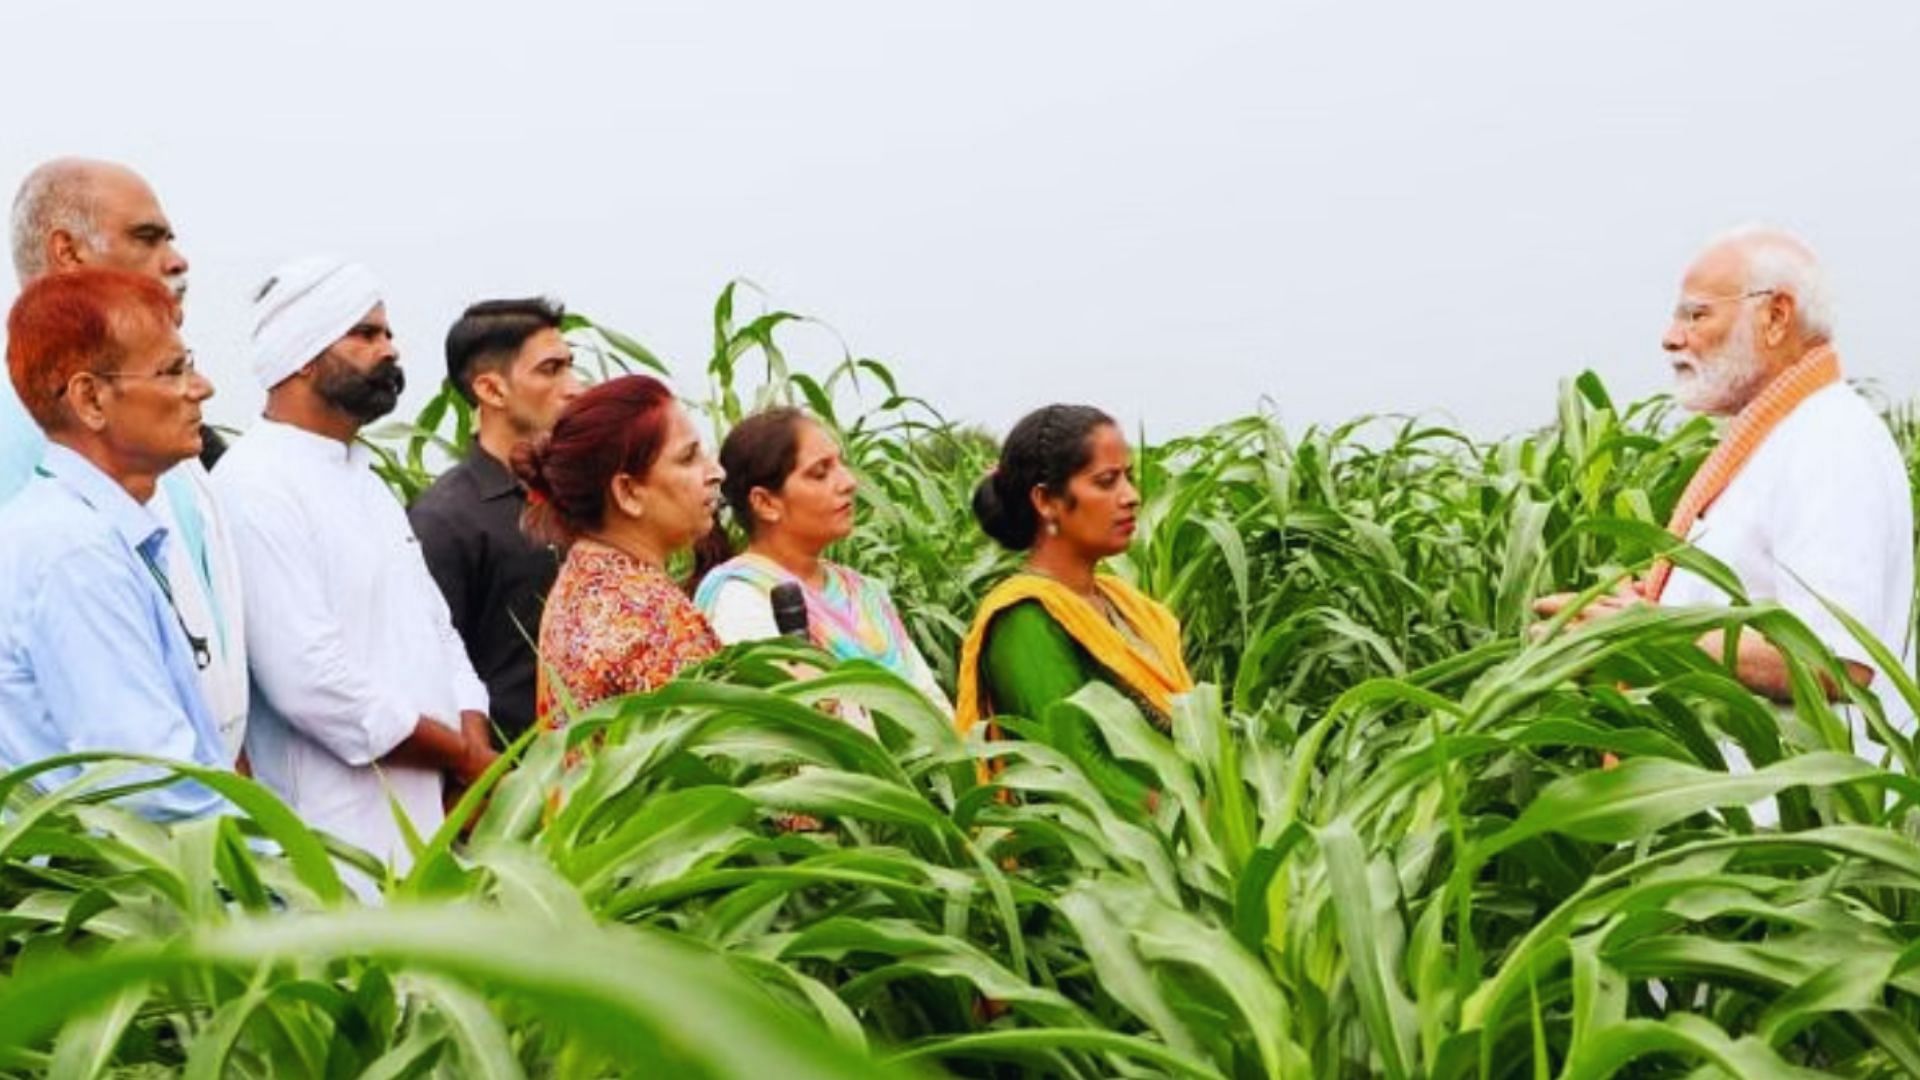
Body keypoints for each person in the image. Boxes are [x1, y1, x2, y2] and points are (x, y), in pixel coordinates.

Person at [1534, 227, 1914, 754]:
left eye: (1696, 314)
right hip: (1742, 818)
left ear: (1776, 317)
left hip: (1792, 823)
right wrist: (1647, 611)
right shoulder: (1783, 437)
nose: (1670, 337)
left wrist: (1648, 633)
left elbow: (1833, 659)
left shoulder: (1828, 443)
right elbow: (1747, 605)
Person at [213, 256, 497, 871]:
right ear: (304, 356)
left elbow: (436, 630)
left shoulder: (363, 479)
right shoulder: (254, 483)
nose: (389, 349)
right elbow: (310, 681)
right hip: (334, 838)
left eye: (388, 333)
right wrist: (462, 757)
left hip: (434, 816)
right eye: (366, 335)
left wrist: (472, 746)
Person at [5, 158, 248, 761]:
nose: (177, 259)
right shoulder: (23, 441)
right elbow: (130, 761)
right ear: (67, 252)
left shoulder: (167, 442)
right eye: (147, 237)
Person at [0, 269, 230, 819]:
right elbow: (152, 786)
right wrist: (295, 881)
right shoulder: (75, 554)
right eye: (174, 370)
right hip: (147, 888)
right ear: (91, 399)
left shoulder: (82, 530)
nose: (202, 388)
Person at [954, 404, 1194, 804]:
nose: (1132, 497)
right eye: (1106, 482)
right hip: (1109, 855)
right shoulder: (1025, 618)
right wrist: (1202, 821)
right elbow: (1077, 770)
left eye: (1129, 478)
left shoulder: (1124, 604)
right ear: (1046, 500)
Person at [691, 407, 951, 726]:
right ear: (766, 503)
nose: (848, 482)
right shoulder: (741, 599)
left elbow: (934, 707)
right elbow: (791, 735)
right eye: (820, 473)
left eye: (841, 464)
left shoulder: (864, 591)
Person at [410, 297, 582, 746]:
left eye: (570, 366)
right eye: (551, 370)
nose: (574, 387)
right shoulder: (444, 520)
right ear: (491, 390)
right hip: (510, 792)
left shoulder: (582, 501)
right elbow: (432, 674)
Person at [513, 374, 726, 730]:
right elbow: (725, 757)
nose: (715, 472)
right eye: (688, 458)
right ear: (628, 492)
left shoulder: (579, 580)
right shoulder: (653, 617)